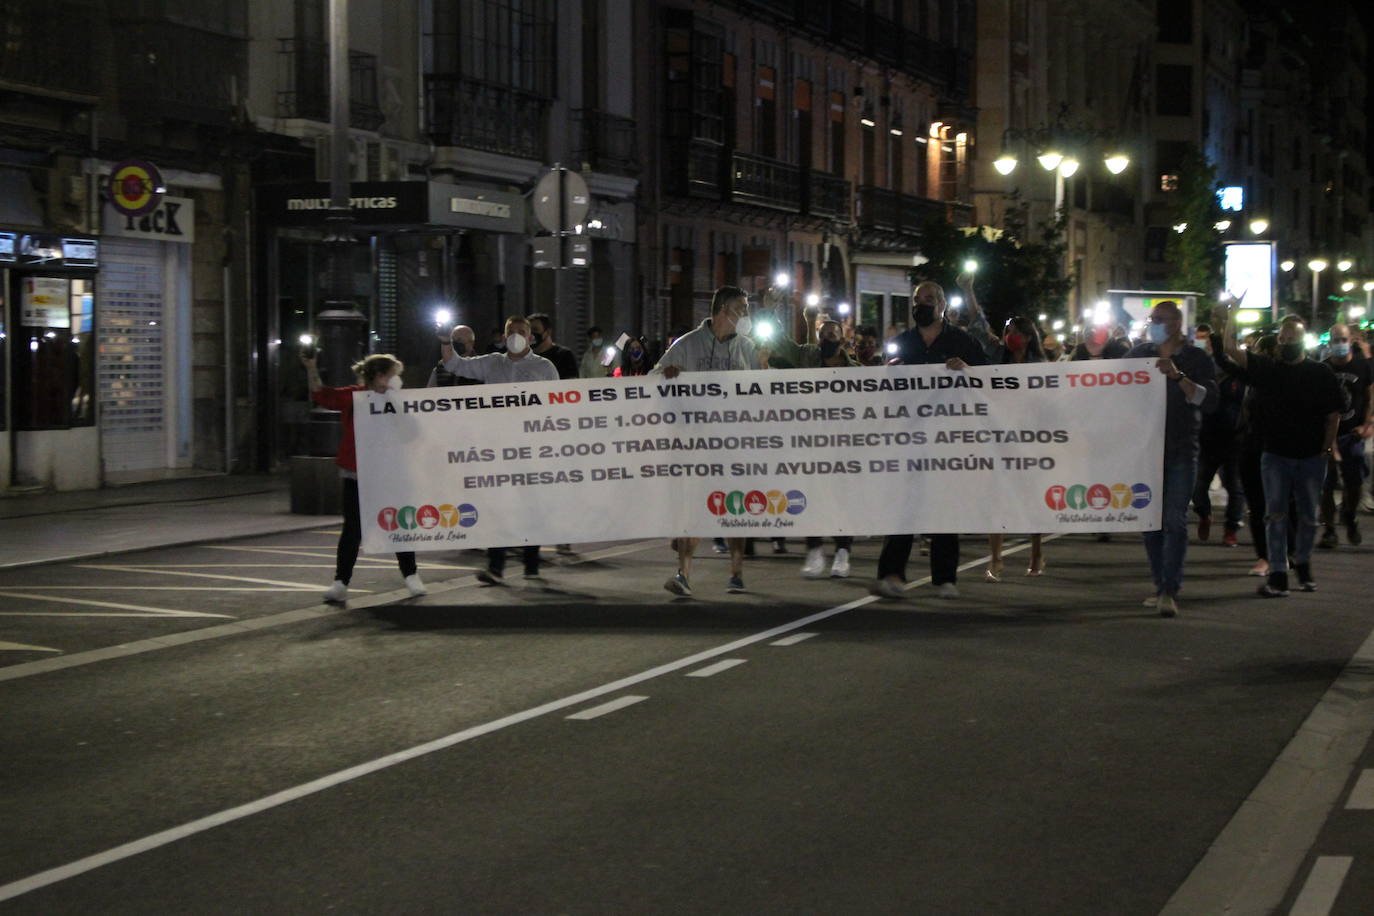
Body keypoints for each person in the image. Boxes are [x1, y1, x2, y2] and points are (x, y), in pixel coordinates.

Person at [869, 278, 988, 601]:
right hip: (908, 436)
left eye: (929, 298)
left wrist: (967, 370)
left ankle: (944, 578)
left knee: (944, 506)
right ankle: (892, 574)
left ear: (943, 306)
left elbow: (990, 381)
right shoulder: (902, 343)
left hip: (949, 438)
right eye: (917, 299)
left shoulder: (962, 343)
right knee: (904, 506)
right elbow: (884, 389)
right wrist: (887, 373)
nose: (921, 304)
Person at [1220, 307, 1343, 597]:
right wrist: (1232, 314)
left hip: (1311, 456)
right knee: (1274, 515)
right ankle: (1278, 572)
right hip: (1275, 454)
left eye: (1293, 338)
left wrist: (1326, 446)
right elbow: (1229, 349)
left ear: (1303, 340)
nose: (1287, 343)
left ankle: (1302, 562)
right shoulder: (1269, 370)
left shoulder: (1320, 373)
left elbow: (1333, 414)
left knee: (1308, 517)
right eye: (1283, 339)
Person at [655, 286, 760, 595]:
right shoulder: (686, 345)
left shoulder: (748, 348)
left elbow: (762, 391)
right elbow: (654, 376)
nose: (746, 314)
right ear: (724, 310)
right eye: (742, 307)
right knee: (694, 508)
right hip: (695, 443)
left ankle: (737, 573)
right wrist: (667, 373)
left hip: (734, 442)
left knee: (734, 507)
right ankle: (683, 574)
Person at [439, 316, 560, 583]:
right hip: (498, 449)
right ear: (504, 338)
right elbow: (454, 364)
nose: (515, 336)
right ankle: (496, 566)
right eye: (511, 332)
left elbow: (558, 404)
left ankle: (531, 563)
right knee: (499, 506)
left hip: (532, 449)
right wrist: (445, 341)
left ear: (531, 338)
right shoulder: (492, 363)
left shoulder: (545, 368)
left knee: (531, 506)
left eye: (521, 332)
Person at [302, 352, 426, 603]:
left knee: (400, 524)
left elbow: (412, 432)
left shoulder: (397, 400)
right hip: (357, 473)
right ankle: (340, 582)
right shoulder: (355, 397)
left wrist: (397, 404)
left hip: (390, 472)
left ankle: (411, 575)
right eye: (393, 375)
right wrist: (311, 367)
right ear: (380, 377)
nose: (397, 380)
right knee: (353, 529)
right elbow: (322, 394)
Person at [1123, 300, 1219, 617]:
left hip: (1181, 450)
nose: (1155, 323)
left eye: (1161, 319)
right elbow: (1104, 381)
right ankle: (1160, 583)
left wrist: (1178, 377)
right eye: (1152, 318)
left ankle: (1169, 589)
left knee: (1175, 520)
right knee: (1150, 522)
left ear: (1177, 323)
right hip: (1146, 450)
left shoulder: (1197, 358)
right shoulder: (1139, 355)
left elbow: (1208, 400)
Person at [961, 275, 1046, 579]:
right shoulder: (998, 355)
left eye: (1014, 332)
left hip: (1032, 439)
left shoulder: (1041, 367)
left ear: (1028, 337)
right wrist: (968, 289)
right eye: (1007, 330)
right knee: (996, 497)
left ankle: (1037, 552)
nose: (1009, 335)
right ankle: (995, 558)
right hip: (998, 436)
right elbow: (978, 324)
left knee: (1032, 498)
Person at [795, 318, 859, 578]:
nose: (827, 339)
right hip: (813, 444)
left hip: (845, 446)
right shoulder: (809, 365)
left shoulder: (856, 370)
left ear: (842, 340)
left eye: (833, 335)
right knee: (812, 498)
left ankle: (843, 553)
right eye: (823, 335)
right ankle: (815, 551)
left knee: (843, 500)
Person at [1190, 324, 1247, 546]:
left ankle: (1231, 528)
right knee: (1198, 486)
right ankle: (1204, 514)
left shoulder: (1238, 375)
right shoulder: (1200, 371)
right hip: (1206, 438)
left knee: (1234, 486)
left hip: (1233, 440)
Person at [1319, 323, 1372, 547]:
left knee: (1354, 484)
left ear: (1350, 341)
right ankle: (1329, 531)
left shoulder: (1363, 366)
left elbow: (1371, 397)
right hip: (1327, 435)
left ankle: (1350, 516)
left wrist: (1368, 425)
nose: (1340, 344)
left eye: (1343, 340)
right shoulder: (1322, 369)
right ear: (1329, 343)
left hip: (1353, 435)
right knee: (1327, 484)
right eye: (1335, 340)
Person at [527, 312, 579, 380]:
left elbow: (572, 384)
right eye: (528, 331)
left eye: (535, 329)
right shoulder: (526, 356)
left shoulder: (564, 355)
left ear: (548, 332)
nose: (531, 334)